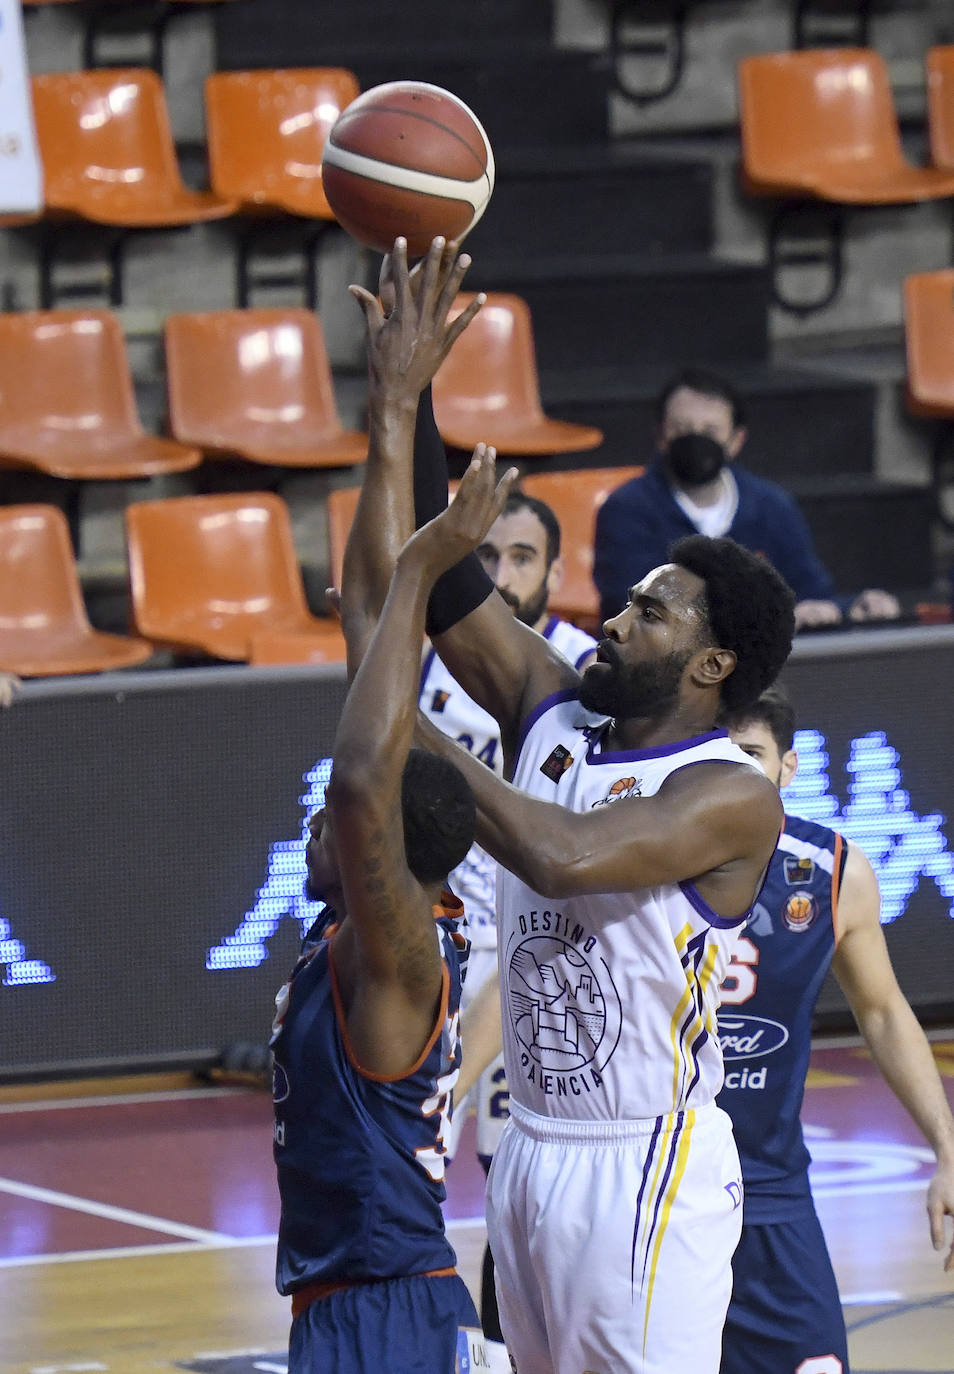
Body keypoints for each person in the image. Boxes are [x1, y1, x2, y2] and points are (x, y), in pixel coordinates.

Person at [349, 235, 798, 1374]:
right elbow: (447, 582)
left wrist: (413, 756)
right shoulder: (556, 708)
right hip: (535, 1145)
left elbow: (559, 853)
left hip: (650, 1165)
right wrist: (406, 397)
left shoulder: (730, 794)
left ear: (711, 666)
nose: (610, 620)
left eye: (651, 613)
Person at [270, 242, 509, 1372]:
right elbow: (371, 609)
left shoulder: (405, 963)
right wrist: (391, 410)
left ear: (386, 857)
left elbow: (364, 776)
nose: (322, 824)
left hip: (388, 1319)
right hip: (353, 1307)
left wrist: (428, 570)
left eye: (337, 822)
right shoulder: (380, 913)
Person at [717, 686, 954, 1374]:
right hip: (659, 1185)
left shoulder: (831, 870)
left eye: (751, 754)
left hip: (771, 1189)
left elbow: (881, 1010)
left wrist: (947, 1149)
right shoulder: (648, 859)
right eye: (719, 753)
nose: (734, 771)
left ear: (788, 768)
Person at [423, 488, 597, 1341]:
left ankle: (518, 1341)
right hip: (442, 941)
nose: (501, 575)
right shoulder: (428, 665)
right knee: (422, 1168)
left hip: (538, 947)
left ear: (555, 573)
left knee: (515, 1175)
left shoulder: (585, 673)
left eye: (521, 557)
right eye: (485, 557)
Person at [592, 366, 901, 633]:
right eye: (683, 429)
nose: (696, 439)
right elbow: (634, 614)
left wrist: (851, 608)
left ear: (736, 440)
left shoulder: (772, 506)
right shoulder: (626, 510)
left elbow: (811, 596)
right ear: (661, 436)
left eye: (710, 430)